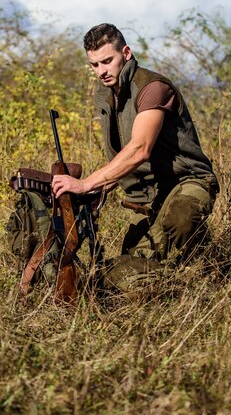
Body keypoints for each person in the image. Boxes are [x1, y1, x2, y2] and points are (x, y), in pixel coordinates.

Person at [52, 23, 219, 292]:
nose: (102, 71)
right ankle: (202, 263)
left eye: (107, 60)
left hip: (187, 183)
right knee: (128, 266)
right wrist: (93, 192)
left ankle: (197, 283)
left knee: (170, 231)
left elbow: (140, 148)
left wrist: (86, 183)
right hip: (148, 199)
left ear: (126, 53)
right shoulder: (108, 95)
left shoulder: (152, 87)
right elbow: (122, 157)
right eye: (94, 65)